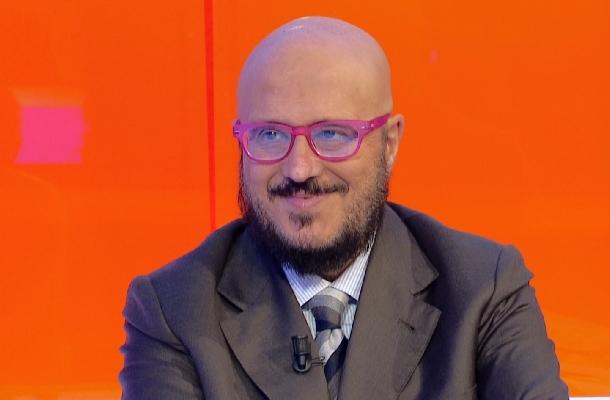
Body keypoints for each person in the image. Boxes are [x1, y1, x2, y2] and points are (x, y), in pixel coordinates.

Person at [119, 16, 569, 399]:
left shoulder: (484, 288)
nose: (299, 168)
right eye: (270, 135)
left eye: (332, 134)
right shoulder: (173, 310)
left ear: (389, 143)